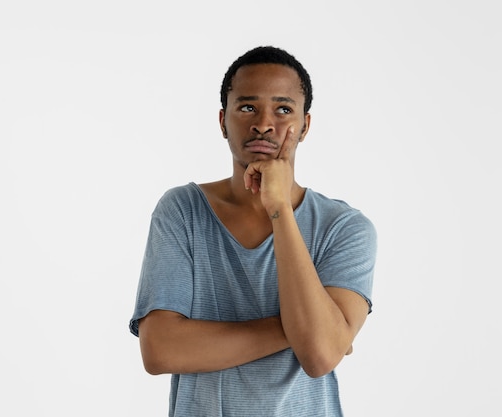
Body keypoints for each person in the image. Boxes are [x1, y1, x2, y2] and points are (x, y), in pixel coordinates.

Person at [129, 45, 377, 417]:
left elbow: (320, 357)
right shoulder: (182, 211)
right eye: (247, 107)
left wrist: (279, 209)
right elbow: (161, 350)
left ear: (305, 125)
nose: (263, 123)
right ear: (222, 121)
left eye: (283, 109)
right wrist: (303, 330)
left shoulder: (344, 228)